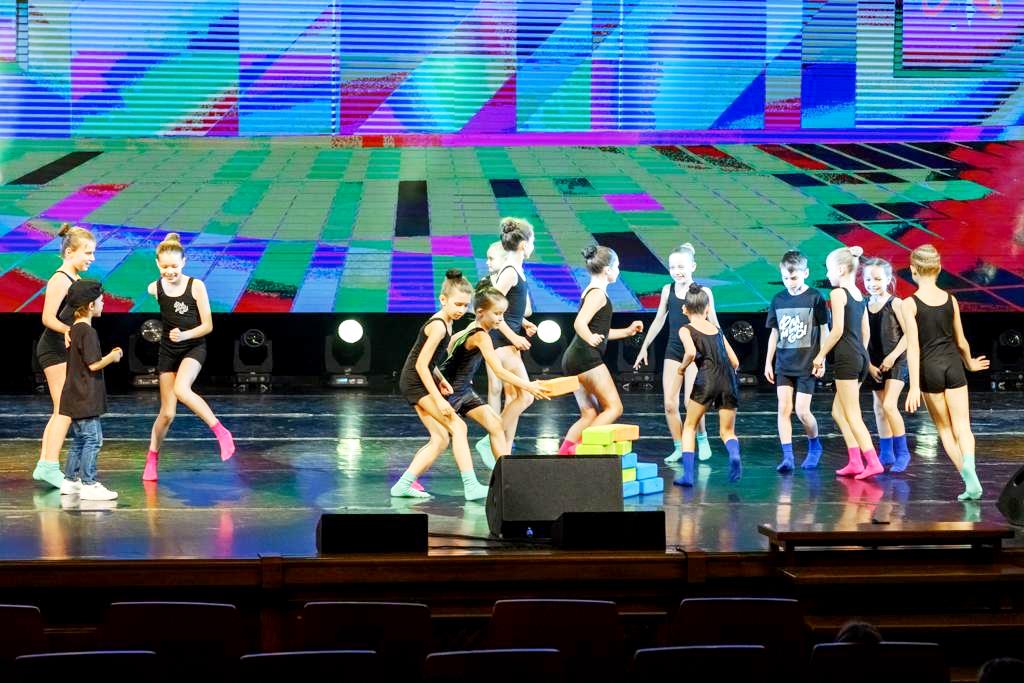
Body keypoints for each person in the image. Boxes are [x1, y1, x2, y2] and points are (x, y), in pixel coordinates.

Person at [391, 270, 490, 500]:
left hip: (418, 379)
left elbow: (429, 361)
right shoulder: (438, 326)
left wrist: (441, 379)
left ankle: (402, 485)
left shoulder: (448, 322)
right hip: (415, 382)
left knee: (441, 438)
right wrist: (438, 399)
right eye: (457, 304)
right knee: (459, 427)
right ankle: (471, 486)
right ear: (443, 299)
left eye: (465, 305)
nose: (461, 310)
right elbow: (420, 365)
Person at [143, 233, 233, 481]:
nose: (169, 271)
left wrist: (185, 335)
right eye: (164, 267)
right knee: (167, 414)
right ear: (157, 264)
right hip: (168, 351)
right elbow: (157, 282)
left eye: (174, 266)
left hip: (193, 346)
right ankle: (152, 458)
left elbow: (207, 326)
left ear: (184, 262)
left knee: (182, 389)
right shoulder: (155, 288)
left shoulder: (196, 286)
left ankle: (221, 432)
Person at [903, 244, 989, 501]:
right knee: (963, 426)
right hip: (953, 365)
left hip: (929, 369)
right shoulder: (951, 299)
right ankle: (970, 466)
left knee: (944, 429)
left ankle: (969, 480)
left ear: (913, 270)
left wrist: (914, 386)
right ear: (939, 268)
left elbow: (913, 347)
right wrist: (969, 363)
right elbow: (961, 341)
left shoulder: (909, 304)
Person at [440, 283, 551, 463]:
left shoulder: (472, 327)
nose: (501, 319)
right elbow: (499, 371)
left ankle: (504, 471)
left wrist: (461, 370)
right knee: (439, 440)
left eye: (502, 314)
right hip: (450, 392)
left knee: (496, 426)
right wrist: (529, 386)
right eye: (497, 314)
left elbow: (451, 342)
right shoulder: (481, 336)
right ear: (480, 312)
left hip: (460, 389)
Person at [633, 243, 717, 463]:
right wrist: (644, 346)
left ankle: (702, 437)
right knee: (670, 404)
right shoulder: (667, 290)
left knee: (691, 403)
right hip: (674, 350)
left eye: (681, 266)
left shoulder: (703, 292)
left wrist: (721, 353)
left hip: (695, 352)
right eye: (672, 267)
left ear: (693, 266)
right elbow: (659, 319)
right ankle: (679, 446)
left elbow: (714, 324)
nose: (677, 271)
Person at [558, 246, 643, 455]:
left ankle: (563, 455)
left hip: (574, 358)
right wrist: (590, 337)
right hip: (586, 358)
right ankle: (579, 449)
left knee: (589, 414)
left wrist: (627, 331)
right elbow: (579, 323)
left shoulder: (593, 291)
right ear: (607, 270)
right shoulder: (597, 294)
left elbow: (600, 332)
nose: (619, 270)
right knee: (614, 408)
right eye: (618, 266)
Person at [33, 224, 96, 489]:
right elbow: (48, 318)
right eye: (87, 253)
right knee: (65, 410)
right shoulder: (60, 279)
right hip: (54, 348)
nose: (92, 258)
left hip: (64, 348)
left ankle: (44, 466)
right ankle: (49, 466)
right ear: (70, 252)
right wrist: (69, 330)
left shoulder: (75, 279)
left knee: (62, 409)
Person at [812, 246, 882, 479]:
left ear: (841, 269)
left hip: (847, 359)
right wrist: (862, 355)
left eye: (829, 269)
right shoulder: (859, 295)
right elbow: (866, 331)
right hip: (859, 357)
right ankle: (855, 460)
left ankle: (872, 461)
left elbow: (837, 330)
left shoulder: (838, 294)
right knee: (838, 412)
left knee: (852, 414)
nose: (828, 274)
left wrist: (820, 355)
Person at [475, 218, 538, 465]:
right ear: (523, 244)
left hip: (507, 341)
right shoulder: (510, 271)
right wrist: (514, 336)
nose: (533, 246)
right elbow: (493, 309)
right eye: (532, 241)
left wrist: (523, 323)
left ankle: (502, 450)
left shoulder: (516, 270)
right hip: (501, 342)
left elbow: (509, 310)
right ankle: (491, 438)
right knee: (526, 395)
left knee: (519, 397)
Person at [764, 250, 829, 472]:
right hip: (784, 363)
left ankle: (814, 445)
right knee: (783, 409)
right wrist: (768, 362)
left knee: (802, 411)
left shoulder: (815, 297)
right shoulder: (778, 299)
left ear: (805, 273)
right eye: (785, 278)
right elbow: (774, 332)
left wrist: (822, 358)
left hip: (807, 364)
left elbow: (824, 329)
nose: (789, 282)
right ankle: (788, 457)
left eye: (793, 278)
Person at [58, 279, 121, 501]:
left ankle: (70, 480)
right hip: (85, 395)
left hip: (74, 394)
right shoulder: (87, 332)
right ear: (91, 305)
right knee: (93, 440)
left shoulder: (74, 329)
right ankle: (89, 483)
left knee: (80, 440)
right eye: (101, 301)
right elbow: (93, 364)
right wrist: (112, 357)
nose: (103, 304)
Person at [672, 283, 742, 486]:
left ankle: (687, 476)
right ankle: (734, 455)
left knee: (689, 426)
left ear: (684, 309)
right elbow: (735, 362)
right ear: (708, 309)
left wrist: (681, 369)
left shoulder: (685, 330)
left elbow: (690, 353)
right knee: (727, 431)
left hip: (707, 379)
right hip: (728, 380)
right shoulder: (717, 330)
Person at [862, 257, 911, 472]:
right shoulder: (863, 305)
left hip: (897, 360)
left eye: (877, 279)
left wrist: (892, 357)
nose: (872, 284)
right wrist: (868, 364)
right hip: (875, 362)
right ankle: (886, 452)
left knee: (890, 405)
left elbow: (909, 334)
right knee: (879, 409)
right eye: (868, 279)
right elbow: (862, 338)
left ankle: (903, 452)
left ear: (888, 279)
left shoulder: (896, 304)